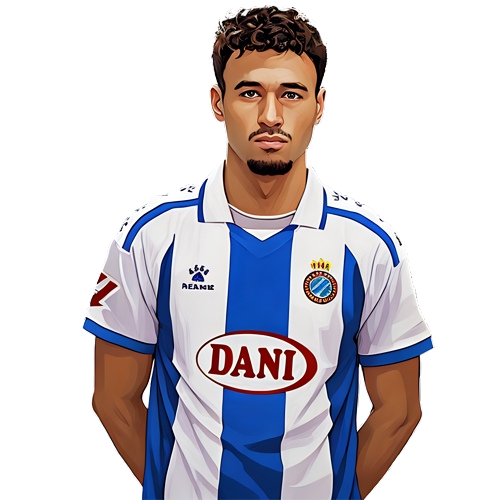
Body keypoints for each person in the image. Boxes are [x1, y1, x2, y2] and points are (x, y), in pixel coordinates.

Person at [84, 3, 434, 499]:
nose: (271, 116)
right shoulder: (151, 235)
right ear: (218, 103)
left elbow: (399, 411)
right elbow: (112, 397)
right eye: (250, 93)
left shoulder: (369, 245)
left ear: (319, 106)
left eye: (291, 94)